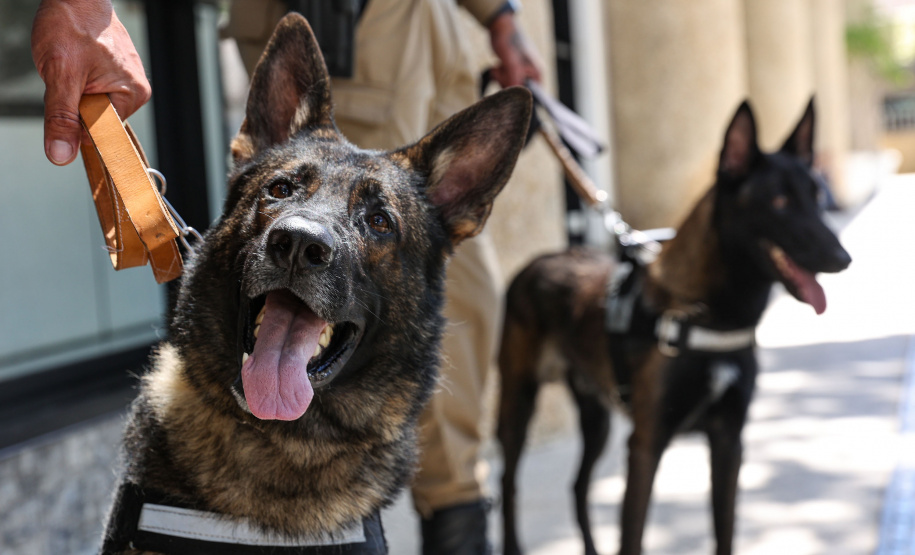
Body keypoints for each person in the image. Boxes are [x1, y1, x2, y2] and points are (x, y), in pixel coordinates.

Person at [32, 1, 543, 553]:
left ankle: (459, 523)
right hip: (346, 20)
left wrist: (499, 16)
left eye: (375, 221)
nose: (304, 230)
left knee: (475, 303)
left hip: (433, 26)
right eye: (280, 190)